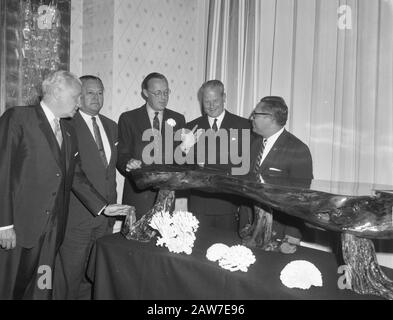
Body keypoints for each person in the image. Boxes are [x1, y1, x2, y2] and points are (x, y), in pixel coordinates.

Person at [0, 70, 131, 300]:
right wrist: (4, 225)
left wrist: (103, 207)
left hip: (52, 231)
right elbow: (3, 171)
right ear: (56, 93)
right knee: (10, 288)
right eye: (76, 97)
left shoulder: (68, 129)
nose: (79, 103)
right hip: (20, 229)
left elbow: (75, 175)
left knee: (42, 286)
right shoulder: (18, 118)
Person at [54, 75, 119, 299]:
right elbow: (73, 174)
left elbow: (110, 172)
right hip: (76, 218)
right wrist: (101, 206)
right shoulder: (66, 125)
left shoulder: (111, 126)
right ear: (78, 96)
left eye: (100, 92)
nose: (96, 97)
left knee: (93, 277)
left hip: (105, 220)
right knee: (69, 277)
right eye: (90, 92)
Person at [117, 72, 186, 220]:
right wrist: (128, 163)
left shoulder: (178, 119)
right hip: (138, 195)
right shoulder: (128, 118)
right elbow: (121, 155)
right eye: (158, 93)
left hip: (168, 194)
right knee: (135, 241)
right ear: (145, 93)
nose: (163, 97)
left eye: (166, 92)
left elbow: (181, 157)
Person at [186, 80, 251, 231]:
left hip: (229, 203)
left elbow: (245, 164)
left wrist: (205, 162)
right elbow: (186, 164)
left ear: (224, 97)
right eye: (206, 101)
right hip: (199, 203)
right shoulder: (191, 127)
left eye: (215, 100)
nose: (211, 105)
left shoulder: (243, 125)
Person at [248, 96, 313, 242]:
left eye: (255, 114)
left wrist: (292, 236)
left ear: (270, 118)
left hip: (279, 233)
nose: (251, 118)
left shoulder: (298, 149)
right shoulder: (253, 143)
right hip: (250, 228)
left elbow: (301, 198)